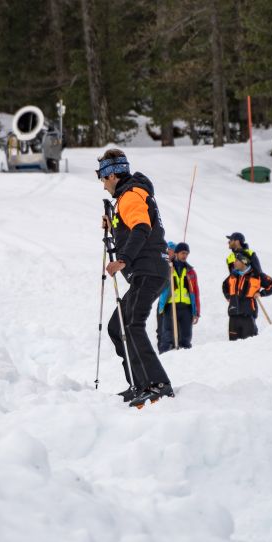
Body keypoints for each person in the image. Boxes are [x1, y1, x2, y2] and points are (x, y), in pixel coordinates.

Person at [98, 148, 174, 404]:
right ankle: (139, 383)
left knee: (132, 325)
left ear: (112, 175)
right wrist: (114, 225)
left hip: (149, 269)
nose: (102, 183)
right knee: (117, 326)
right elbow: (133, 228)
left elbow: (142, 228)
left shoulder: (131, 196)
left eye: (102, 176)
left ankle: (158, 383)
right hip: (147, 270)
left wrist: (122, 260)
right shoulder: (130, 197)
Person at [222, 252, 272, 340]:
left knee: (249, 344)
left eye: (237, 260)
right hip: (233, 316)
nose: (234, 262)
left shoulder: (257, 276)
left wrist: (261, 293)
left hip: (248, 316)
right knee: (232, 346)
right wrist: (228, 296)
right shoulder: (233, 275)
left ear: (244, 262)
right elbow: (225, 285)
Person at [157, 242, 201, 352]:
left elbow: (195, 292)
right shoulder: (168, 267)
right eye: (182, 253)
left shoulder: (191, 271)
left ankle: (185, 361)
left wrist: (196, 312)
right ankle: (165, 360)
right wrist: (168, 271)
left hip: (186, 308)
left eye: (186, 253)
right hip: (171, 306)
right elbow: (160, 285)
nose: (184, 255)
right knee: (168, 337)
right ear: (176, 253)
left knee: (186, 337)